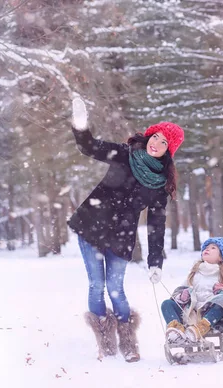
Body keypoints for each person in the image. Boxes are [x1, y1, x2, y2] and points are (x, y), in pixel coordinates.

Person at [68, 97, 184, 362]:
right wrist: (80, 123)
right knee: (97, 284)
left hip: (121, 237)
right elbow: (89, 146)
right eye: (155, 137)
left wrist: (155, 262)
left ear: (169, 150)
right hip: (92, 227)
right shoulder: (124, 154)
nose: (157, 143)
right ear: (148, 136)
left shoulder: (159, 185)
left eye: (164, 142)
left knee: (116, 288)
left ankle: (128, 342)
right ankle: (105, 341)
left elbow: (157, 226)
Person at [161, 237, 223, 344]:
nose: (207, 249)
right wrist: (182, 296)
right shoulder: (194, 274)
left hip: (213, 317)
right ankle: (177, 330)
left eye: (213, 248)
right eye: (206, 247)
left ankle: (199, 329)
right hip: (191, 314)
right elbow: (180, 291)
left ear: (221, 257)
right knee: (166, 304)